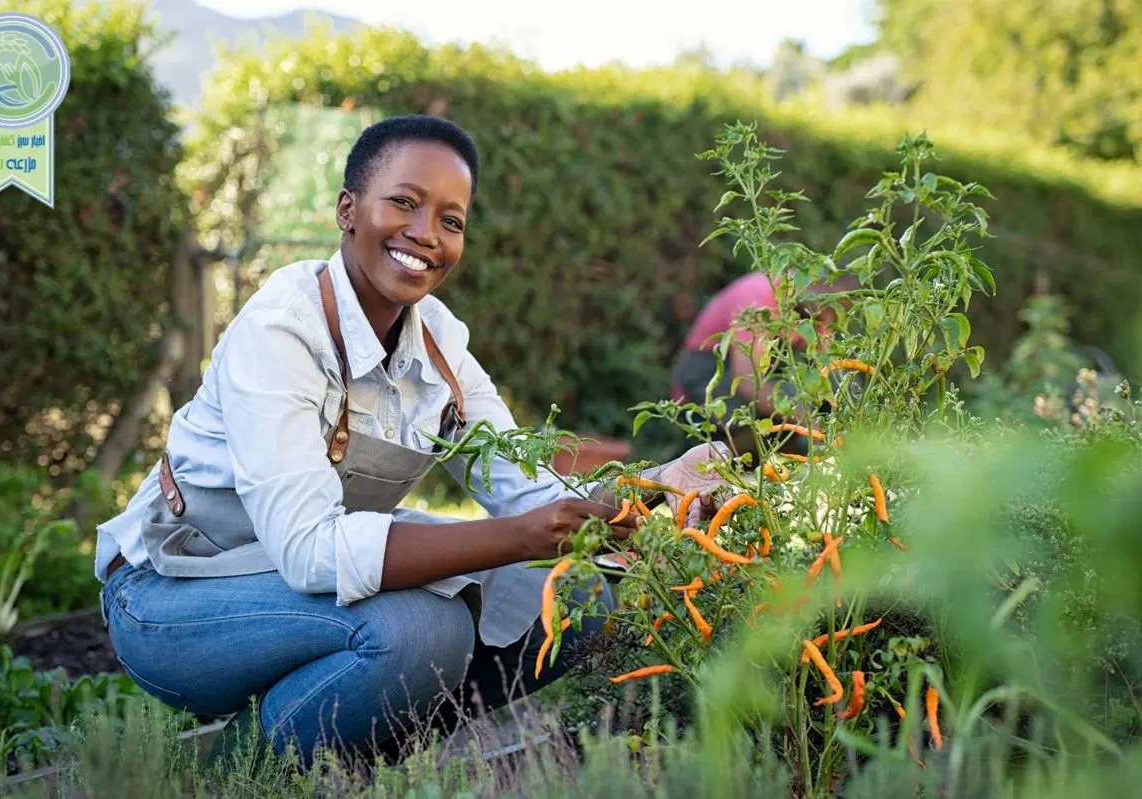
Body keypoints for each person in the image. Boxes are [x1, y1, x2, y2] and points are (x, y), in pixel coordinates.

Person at [95, 115, 727, 767]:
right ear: (347, 209)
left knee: (578, 593)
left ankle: (360, 756)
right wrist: (524, 536)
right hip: (172, 596)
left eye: (451, 221)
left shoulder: (439, 346)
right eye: (403, 202)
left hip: (293, 588)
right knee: (421, 632)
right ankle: (232, 774)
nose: (426, 234)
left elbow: (527, 485)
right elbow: (311, 551)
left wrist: (656, 488)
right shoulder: (281, 333)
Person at [670, 271, 857, 453]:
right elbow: (746, 382)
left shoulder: (811, 308)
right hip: (706, 378)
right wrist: (810, 422)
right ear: (813, 284)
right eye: (829, 307)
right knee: (788, 404)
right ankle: (722, 459)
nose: (829, 318)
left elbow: (832, 364)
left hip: (755, 375)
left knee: (805, 398)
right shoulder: (757, 300)